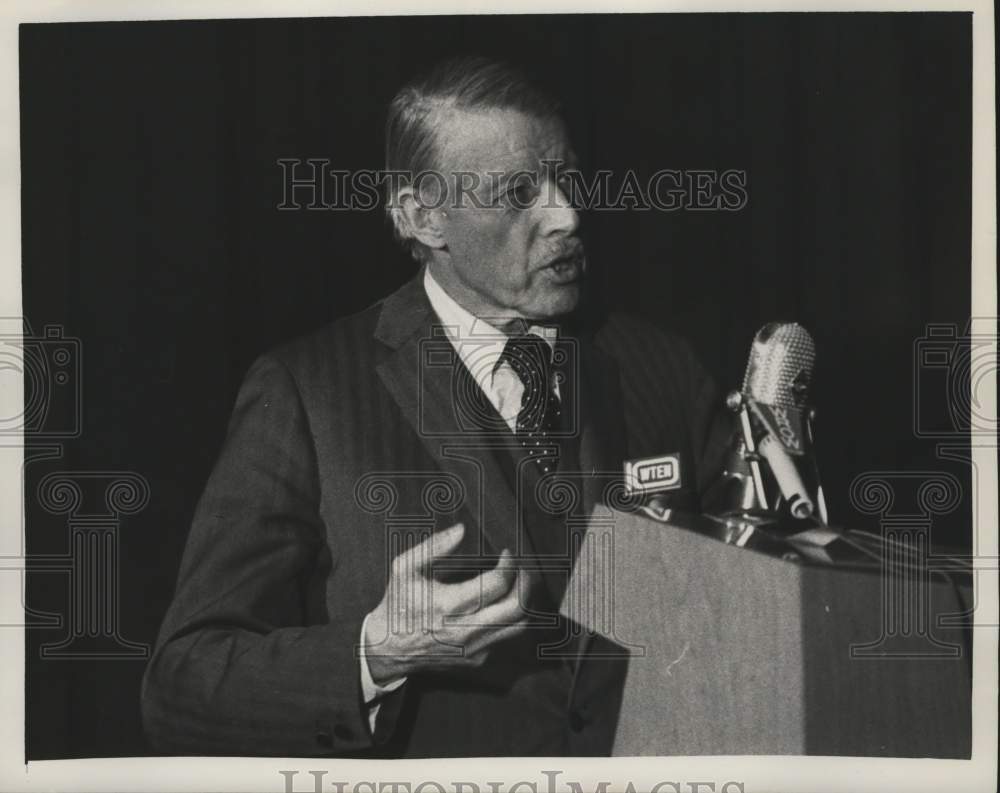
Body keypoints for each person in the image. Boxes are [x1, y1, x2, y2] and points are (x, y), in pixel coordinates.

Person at [141, 55, 728, 758]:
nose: (567, 216)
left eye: (566, 178)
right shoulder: (306, 392)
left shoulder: (661, 366)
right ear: (424, 216)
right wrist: (379, 651)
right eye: (517, 192)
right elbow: (180, 685)